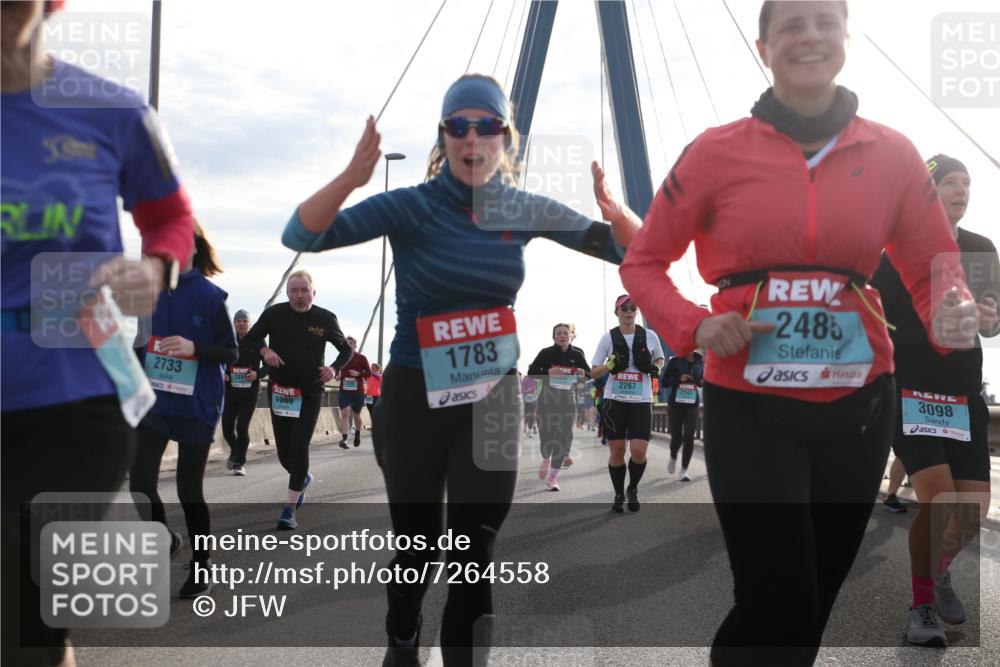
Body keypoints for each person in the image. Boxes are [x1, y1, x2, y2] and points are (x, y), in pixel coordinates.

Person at [619, 2, 978, 664]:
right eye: (791, 25)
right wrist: (696, 326)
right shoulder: (714, 151)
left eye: (824, 21)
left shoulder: (894, 152)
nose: (809, 36)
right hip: (751, 406)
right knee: (776, 595)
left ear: (847, 36)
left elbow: (933, 271)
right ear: (763, 46)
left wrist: (951, 310)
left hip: (862, 402)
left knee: (811, 602)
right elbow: (642, 262)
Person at [282, 73, 640, 666]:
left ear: (506, 137)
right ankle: (403, 636)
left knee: (475, 555)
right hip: (413, 395)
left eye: (488, 125)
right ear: (443, 135)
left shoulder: (519, 208)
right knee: (417, 548)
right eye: (459, 125)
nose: (473, 137)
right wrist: (351, 177)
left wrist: (614, 209)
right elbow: (302, 233)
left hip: (493, 399)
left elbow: (632, 251)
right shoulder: (413, 205)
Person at [1, 2, 195, 664]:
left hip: (80, 397)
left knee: (25, 604)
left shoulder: (110, 110)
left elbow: (171, 216)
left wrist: (156, 265)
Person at [872, 155, 999, 646]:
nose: (962, 190)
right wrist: (928, 320)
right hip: (911, 390)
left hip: (964, 393)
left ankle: (939, 569)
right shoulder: (895, 252)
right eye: (950, 182)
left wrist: (989, 320)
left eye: (967, 183)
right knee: (939, 498)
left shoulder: (982, 248)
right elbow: (876, 321)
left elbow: (993, 317)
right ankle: (921, 605)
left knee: (972, 508)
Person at [130, 223, 237, 597]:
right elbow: (138, 346)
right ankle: (164, 538)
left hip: (197, 402)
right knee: (140, 484)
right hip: (155, 404)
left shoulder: (211, 297)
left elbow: (231, 352)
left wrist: (194, 347)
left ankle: (201, 564)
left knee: (188, 489)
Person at [241, 270, 353, 530]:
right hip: (281, 391)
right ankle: (301, 478)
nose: (300, 296)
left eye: (305, 290)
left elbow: (346, 348)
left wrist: (335, 368)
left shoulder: (325, 318)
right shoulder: (274, 314)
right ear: (288, 292)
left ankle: (289, 509)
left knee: (300, 445)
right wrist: (265, 350)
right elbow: (251, 338)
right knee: (284, 453)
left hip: (310, 392)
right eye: (294, 290)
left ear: (314, 292)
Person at [591, 295, 666, 513]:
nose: (629, 311)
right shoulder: (608, 338)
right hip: (615, 400)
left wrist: (657, 368)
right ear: (617, 312)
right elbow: (594, 371)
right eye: (624, 308)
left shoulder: (650, 336)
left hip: (641, 400)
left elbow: (660, 359)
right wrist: (609, 366)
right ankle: (618, 493)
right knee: (617, 450)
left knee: (639, 451)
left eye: (633, 308)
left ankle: (632, 488)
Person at [527, 323, 591, 491]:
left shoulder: (576, 355)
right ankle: (546, 458)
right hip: (546, 402)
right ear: (554, 336)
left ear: (571, 336)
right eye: (558, 333)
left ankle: (553, 478)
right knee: (547, 438)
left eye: (565, 333)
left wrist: (582, 374)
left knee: (562, 439)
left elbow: (589, 374)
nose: (562, 335)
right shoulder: (546, 353)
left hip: (567, 402)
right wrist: (547, 372)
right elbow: (532, 372)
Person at [222, 309, 265, 476]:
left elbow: (268, 364)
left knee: (242, 427)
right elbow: (219, 359)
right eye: (238, 321)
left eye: (244, 321)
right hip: (230, 390)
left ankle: (239, 463)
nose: (241, 323)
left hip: (250, 391)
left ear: (249, 324)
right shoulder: (228, 340)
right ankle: (236, 450)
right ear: (234, 324)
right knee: (226, 428)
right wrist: (223, 373)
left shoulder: (258, 340)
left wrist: (257, 374)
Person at [662, 350, 705, 481]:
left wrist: (701, 382)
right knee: (676, 437)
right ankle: (673, 456)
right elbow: (664, 382)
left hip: (692, 404)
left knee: (689, 436)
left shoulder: (700, 361)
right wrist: (677, 380)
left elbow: (702, 380)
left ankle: (684, 469)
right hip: (676, 404)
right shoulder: (675, 361)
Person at [336, 335, 372, 449]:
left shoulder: (361, 358)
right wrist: (337, 374)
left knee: (356, 415)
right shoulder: (341, 357)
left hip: (357, 391)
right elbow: (336, 369)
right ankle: (344, 439)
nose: (349, 345)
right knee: (345, 413)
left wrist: (359, 374)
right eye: (347, 343)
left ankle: (357, 433)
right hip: (344, 391)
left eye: (351, 343)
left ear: (355, 346)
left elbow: (369, 374)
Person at [521, 372, 539, 438]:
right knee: (527, 415)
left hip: (534, 400)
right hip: (526, 400)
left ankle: (530, 431)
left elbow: (538, 389)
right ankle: (526, 427)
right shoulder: (525, 379)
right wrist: (527, 391)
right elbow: (522, 390)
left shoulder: (536, 379)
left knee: (533, 415)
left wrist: (536, 393)